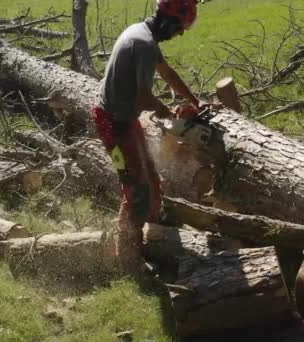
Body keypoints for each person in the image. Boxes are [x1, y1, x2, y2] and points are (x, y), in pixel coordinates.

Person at [92, 0, 201, 274]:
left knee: (151, 177)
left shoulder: (142, 33)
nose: (180, 34)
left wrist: (194, 100)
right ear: (168, 21)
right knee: (136, 189)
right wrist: (168, 113)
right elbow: (144, 96)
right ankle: (129, 258)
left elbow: (167, 72)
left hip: (124, 119)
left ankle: (153, 230)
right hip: (113, 125)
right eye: (179, 28)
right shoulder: (143, 45)